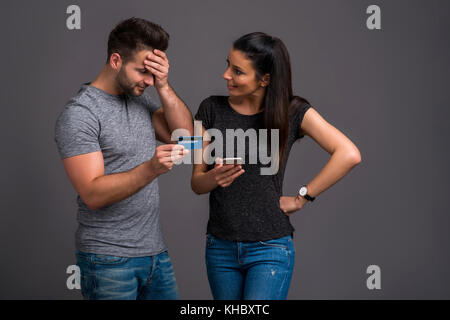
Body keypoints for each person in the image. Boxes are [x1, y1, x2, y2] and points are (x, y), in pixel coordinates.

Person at [191, 32, 362, 300]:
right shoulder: (210, 108)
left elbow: (348, 153)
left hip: (269, 248)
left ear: (265, 79)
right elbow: (196, 184)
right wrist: (215, 177)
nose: (226, 75)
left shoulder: (292, 111)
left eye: (237, 71)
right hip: (220, 248)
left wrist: (302, 197)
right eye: (227, 65)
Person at [54, 17, 193, 300]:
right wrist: (151, 169)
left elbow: (184, 137)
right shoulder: (80, 114)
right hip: (107, 261)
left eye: (154, 73)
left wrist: (164, 86)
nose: (149, 81)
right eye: (143, 71)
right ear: (116, 60)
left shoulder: (139, 98)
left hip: (155, 255)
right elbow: (93, 193)